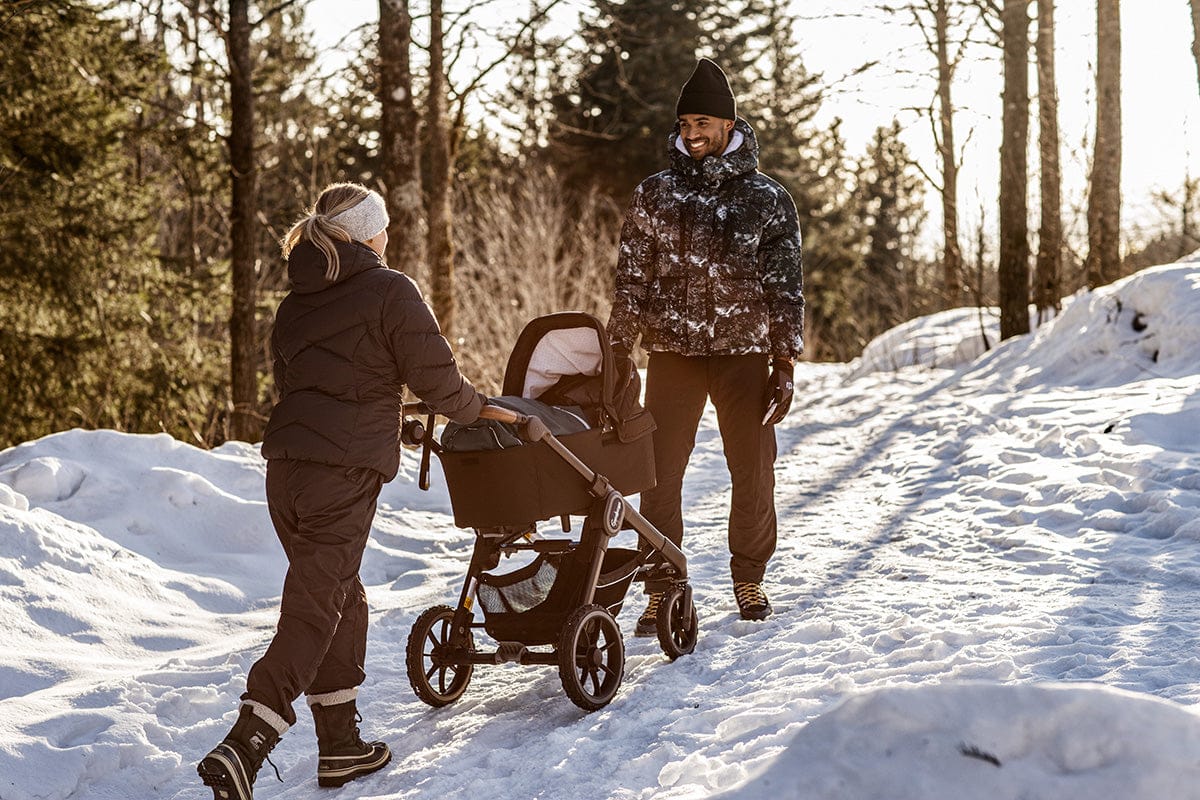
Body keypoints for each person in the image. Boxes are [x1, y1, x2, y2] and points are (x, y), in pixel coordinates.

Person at [198, 183, 486, 800]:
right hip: (341, 475)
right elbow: (439, 381)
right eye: (383, 228)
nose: (390, 238)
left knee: (336, 593)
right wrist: (480, 410)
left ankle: (340, 747)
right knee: (316, 604)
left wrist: (387, 415)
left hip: (287, 472)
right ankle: (248, 739)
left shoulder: (296, 302)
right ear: (366, 235)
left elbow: (319, 385)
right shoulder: (390, 288)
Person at [606, 58, 804, 631]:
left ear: (728, 124)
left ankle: (749, 577)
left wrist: (784, 361)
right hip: (672, 355)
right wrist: (618, 348)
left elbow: (784, 286)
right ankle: (664, 585)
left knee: (753, 468)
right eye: (684, 122)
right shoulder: (656, 194)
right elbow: (632, 278)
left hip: (745, 356)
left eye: (703, 123)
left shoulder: (768, 200)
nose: (691, 134)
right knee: (659, 472)